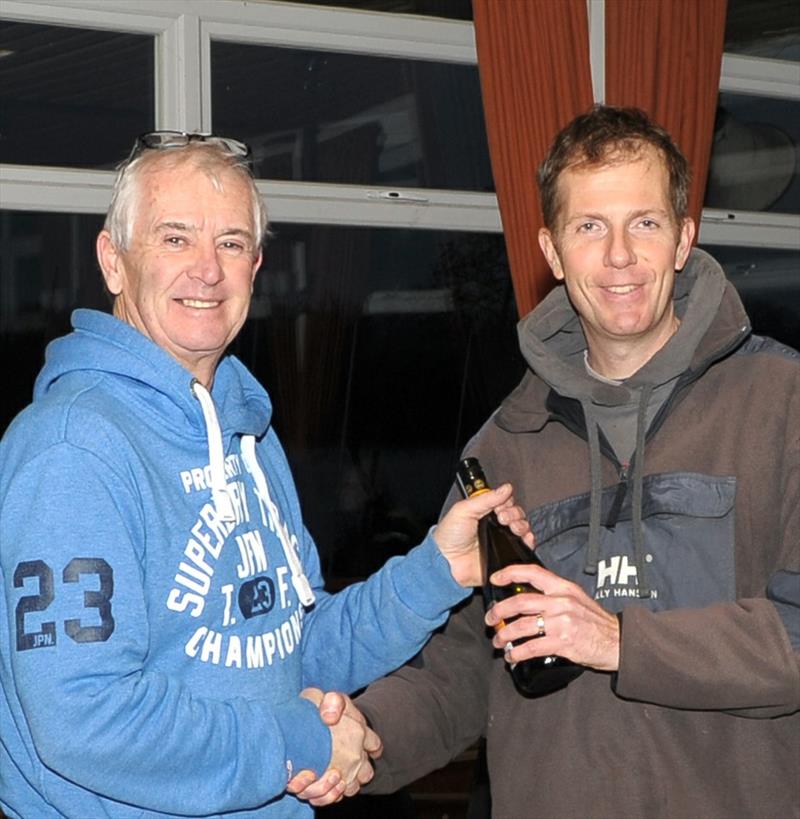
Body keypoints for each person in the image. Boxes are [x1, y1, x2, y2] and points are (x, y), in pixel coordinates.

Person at [0, 131, 534, 819]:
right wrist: (302, 741)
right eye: (175, 239)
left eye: (229, 243)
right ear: (113, 260)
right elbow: (83, 715)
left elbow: (292, 650)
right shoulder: (72, 450)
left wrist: (439, 567)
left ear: (256, 267)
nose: (207, 270)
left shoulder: (250, 434)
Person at [302, 105, 800, 818]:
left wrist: (620, 640)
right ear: (553, 251)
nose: (620, 255)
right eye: (590, 227)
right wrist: (358, 738)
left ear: (684, 238)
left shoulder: (783, 404)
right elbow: (459, 678)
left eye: (645, 223)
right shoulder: (504, 448)